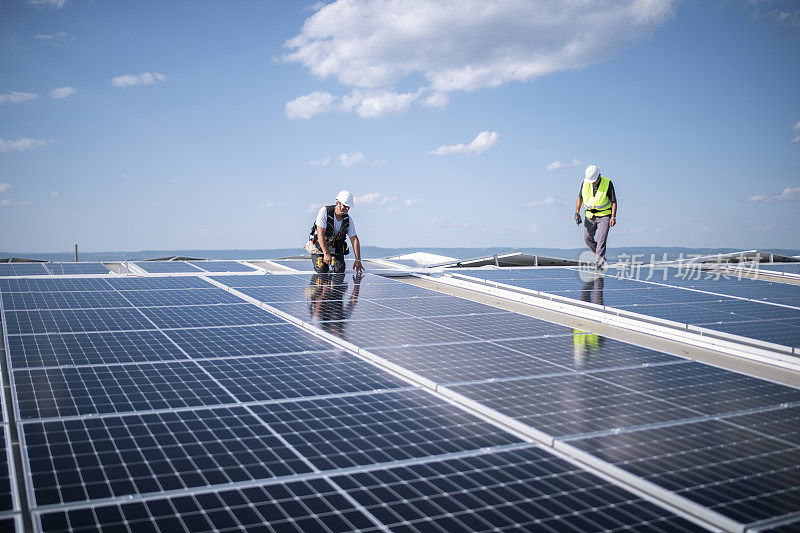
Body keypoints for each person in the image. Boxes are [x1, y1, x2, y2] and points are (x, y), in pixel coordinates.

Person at [306, 190, 364, 274]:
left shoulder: (347, 219)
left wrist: (358, 259)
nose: (347, 209)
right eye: (345, 206)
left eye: (349, 207)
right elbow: (320, 234)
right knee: (322, 270)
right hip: (319, 246)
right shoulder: (325, 212)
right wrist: (326, 254)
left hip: (334, 247)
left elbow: (354, 239)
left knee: (339, 270)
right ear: (337, 203)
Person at [574, 165, 617, 267]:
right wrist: (577, 213)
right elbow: (579, 198)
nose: (592, 182)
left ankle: (599, 263)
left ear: (599, 176)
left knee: (601, 239)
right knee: (587, 238)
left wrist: (613, 217)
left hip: (604, 215)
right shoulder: (585, 182)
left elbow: (614, 202)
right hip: (589, 215)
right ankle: (600, 257)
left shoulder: (607, 183)